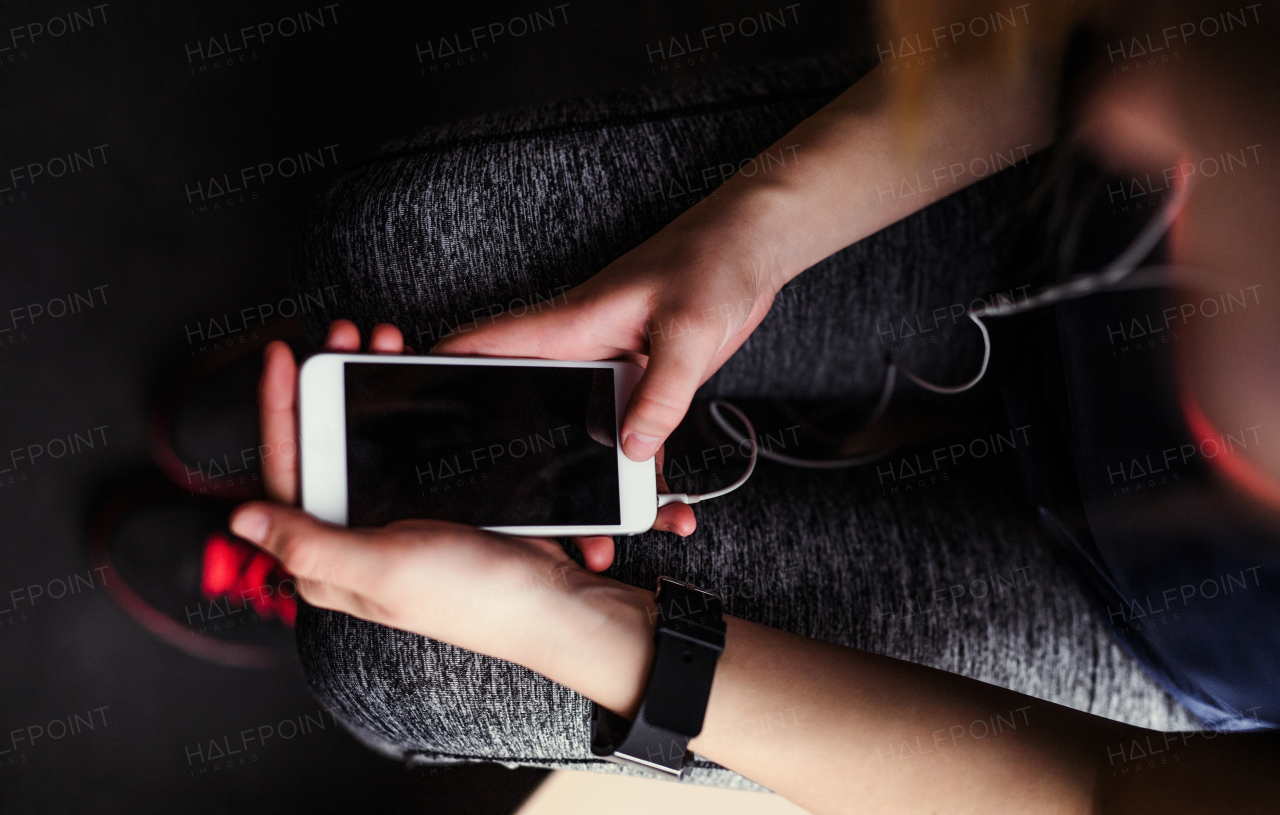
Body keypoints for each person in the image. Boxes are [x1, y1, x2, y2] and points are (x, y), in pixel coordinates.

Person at [229, 0, 1280, 810]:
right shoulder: (1133, 104)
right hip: (1042, 226)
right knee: (405, 254)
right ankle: (331, 502)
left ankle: (321, 523)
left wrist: (567, 620)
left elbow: (1097, 794)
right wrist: (747, 239)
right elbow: (1073, 40)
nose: (1130, 114)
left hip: (1147, 636)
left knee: (396, 659)